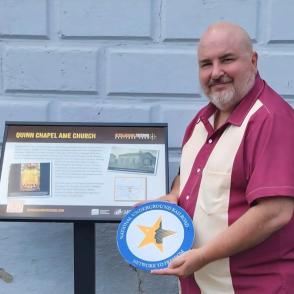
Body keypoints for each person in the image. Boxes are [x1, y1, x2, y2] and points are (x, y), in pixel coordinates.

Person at [151, 21, 294, 293]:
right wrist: (173, 198)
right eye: (206, 64)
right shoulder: (201, 121)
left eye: (226, 60)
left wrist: (202, 256)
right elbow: (190, 175)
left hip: (254, 286)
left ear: (253, 61)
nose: (216, 72)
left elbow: (275, 212)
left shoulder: (271, 119)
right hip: (203, 285)